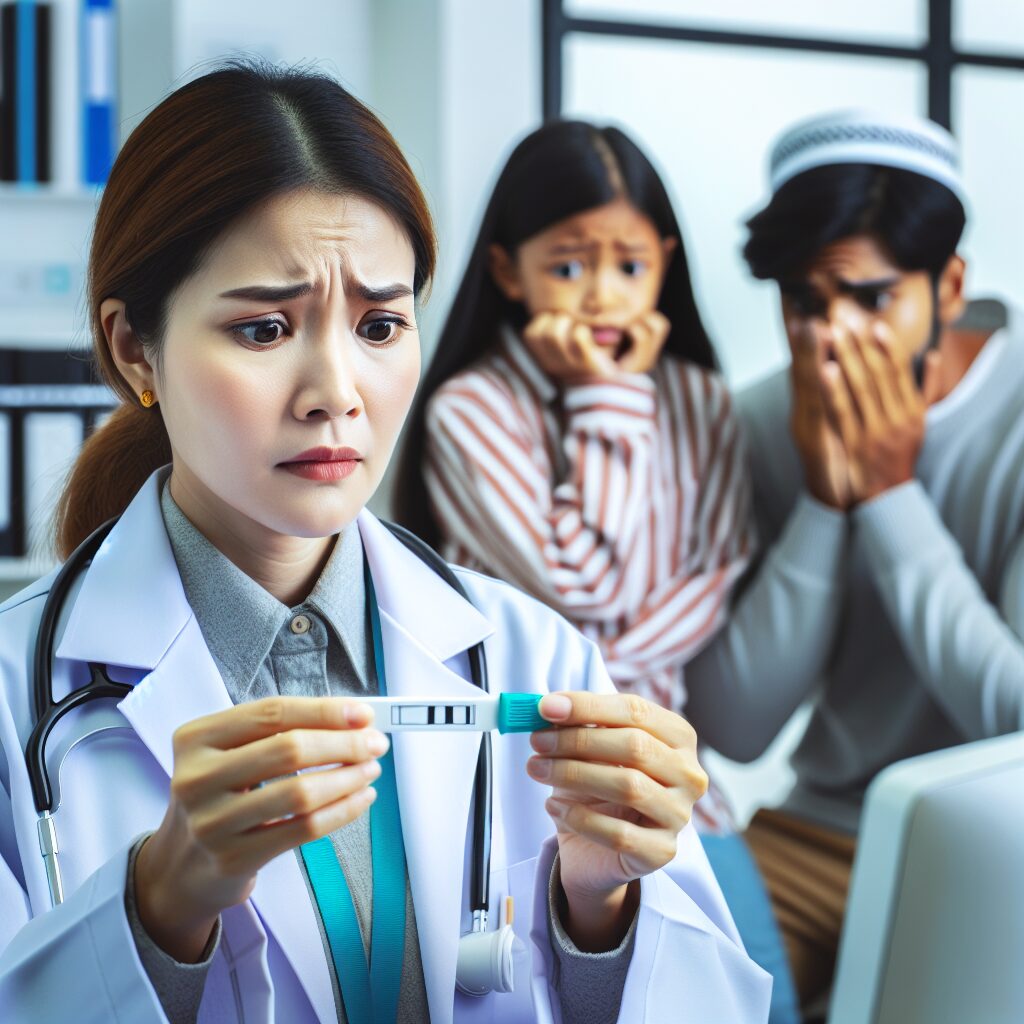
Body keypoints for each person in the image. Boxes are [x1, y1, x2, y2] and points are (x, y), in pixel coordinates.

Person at [0, 64, 770, 1024]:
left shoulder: (538, 655)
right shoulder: (13, 704)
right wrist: (161, 907)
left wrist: (599, 909)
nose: (337, 389)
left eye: (379, 324)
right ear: (133, 350)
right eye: (264, 327)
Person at [394, 120, 798, 1024]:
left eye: (629, 265)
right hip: (518, 786)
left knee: (762, 1003)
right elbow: (587, 592)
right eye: (569, 266)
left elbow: (724, 568)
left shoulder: (697, 399)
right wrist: (608, 400)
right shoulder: (473, 409)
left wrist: (599, 646)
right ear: (509, 271)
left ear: (665, 261)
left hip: (673, 779)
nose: (603, 297)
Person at [683, 108, 1024, 1013]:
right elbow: (735, 723)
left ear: (948, 287)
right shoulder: (762, 422)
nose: (831, 338)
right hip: (816, 832)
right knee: (684, 990)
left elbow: (1016, 721)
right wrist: (827, 507)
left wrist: (888, 495)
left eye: (872, 298)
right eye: (804, 302)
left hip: (1001, 849)